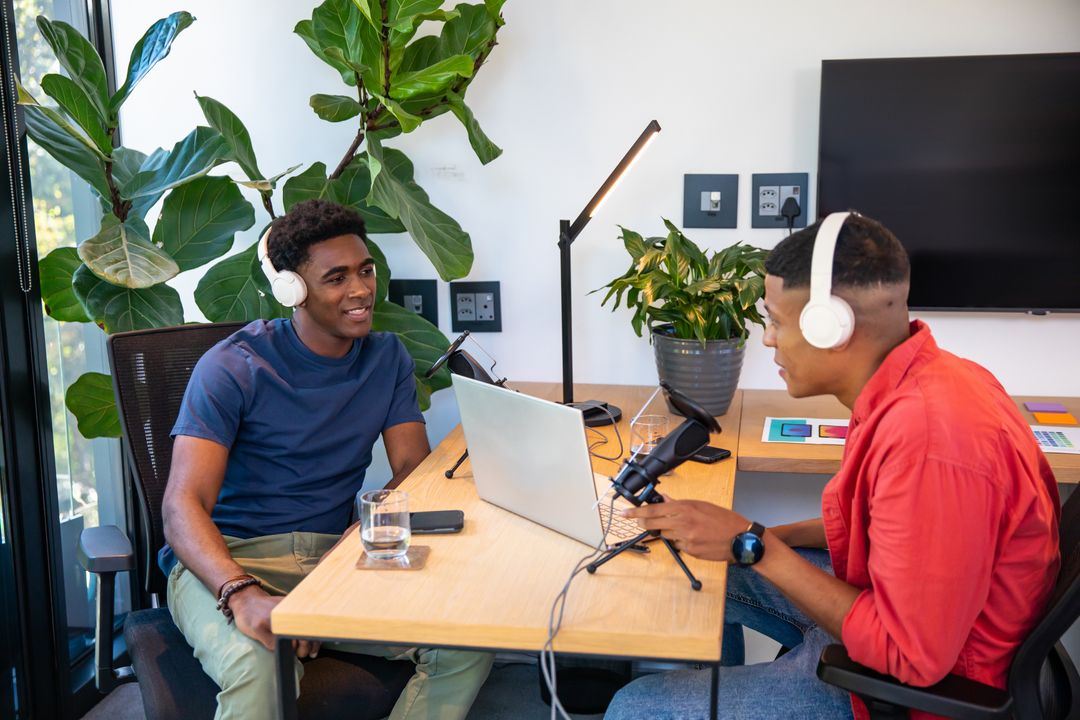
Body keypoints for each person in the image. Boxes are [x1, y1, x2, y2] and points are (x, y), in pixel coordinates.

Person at [604, 213, 1061, 720]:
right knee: (708, 569)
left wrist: (753, 545)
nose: (769, 340)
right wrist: (752, 534)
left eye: (776, 321)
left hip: (917, 687)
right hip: (893, 611)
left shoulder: (930, 440)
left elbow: (909, 658)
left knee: (637, 708)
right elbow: (891, 528)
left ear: (830, 327)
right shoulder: (920, 381)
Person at [161, 199, 493, 720]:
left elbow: (412, 472)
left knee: (465, 639)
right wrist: (241, 593)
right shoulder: (233, 367)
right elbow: (182, 504)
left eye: (365, 271)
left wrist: (342, 563)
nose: (360, 290)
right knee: (260, 668)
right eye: (336, 278)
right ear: (293, 288)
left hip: (335, 556)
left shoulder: (387, 359)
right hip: (230, 560)